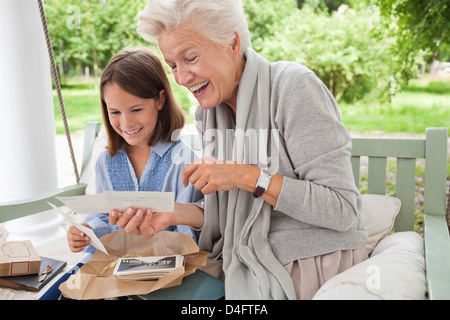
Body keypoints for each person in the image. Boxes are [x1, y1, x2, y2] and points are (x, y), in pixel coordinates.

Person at [113, 0, 368, 300]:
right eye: (172, 66)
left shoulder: (293, 88)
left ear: (232, 43)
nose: (181, 78)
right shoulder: (208, 112)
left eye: (190, 58)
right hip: (244, 259)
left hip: (312, 257)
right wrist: (170, 214)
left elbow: (342, 210)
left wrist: (248, 177)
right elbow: (226, 214)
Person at [66, 49, 204, 254]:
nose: (126, 123)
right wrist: (87, 232)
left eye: (136, 110)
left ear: (160, 100)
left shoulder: (183, 160)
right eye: (115, 112)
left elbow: (190, 230)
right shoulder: (106, 161)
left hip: (168, 267)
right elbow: (102, 216)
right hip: (114, 267)